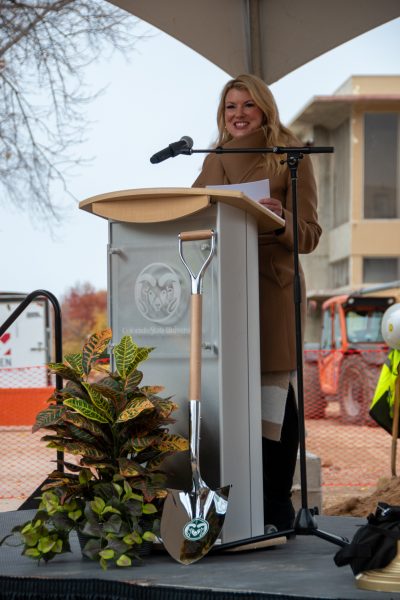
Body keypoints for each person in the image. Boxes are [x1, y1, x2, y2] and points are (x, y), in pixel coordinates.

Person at [192, 73, 322, 531]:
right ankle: (237, 505)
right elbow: (191, 213)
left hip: (271, 287)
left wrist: (282, 219)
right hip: (223, 289)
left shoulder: (291, 156)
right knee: (229, 397)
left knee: (273, 400)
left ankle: (277, 506)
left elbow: (309, 235)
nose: (239, 114)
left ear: (264, 108)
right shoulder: (214, 159)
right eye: (231, 106)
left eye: (248, 105)